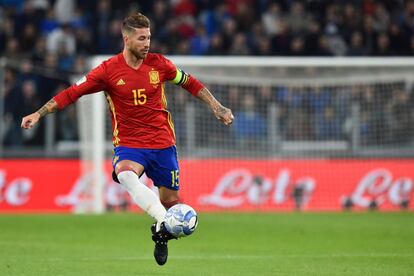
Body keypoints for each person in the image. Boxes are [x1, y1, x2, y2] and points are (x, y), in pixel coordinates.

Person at [21, 12, 234, 266]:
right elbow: (71, 93)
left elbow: (191, 83)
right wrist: (39, 113)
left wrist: (217, 106)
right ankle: (164, 222)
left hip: (163, 143)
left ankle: (161, 232)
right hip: (130, 145)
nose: (147, 43)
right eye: (142, 38)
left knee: (171, 203)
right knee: (125, 175)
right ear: (127, 38)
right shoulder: (108, 71)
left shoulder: (160, 65)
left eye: (149, 38)